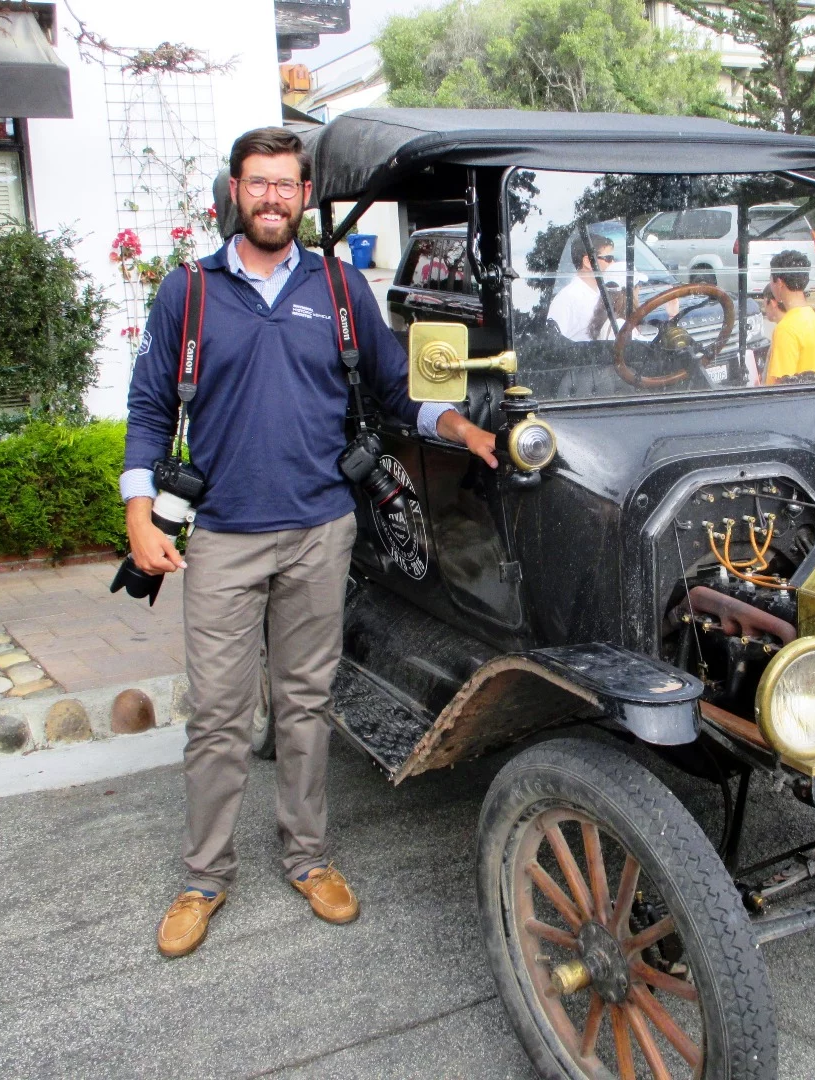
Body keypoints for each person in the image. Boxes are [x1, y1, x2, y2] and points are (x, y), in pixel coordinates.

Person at [121, 127, 498, 959]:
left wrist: (459, 424)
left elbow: (396, 391)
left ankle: (308, 857)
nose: (271, 199)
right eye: (257, 184)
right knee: (219, 718)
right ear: (233, 191)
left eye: (286, 186)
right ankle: (203, 878)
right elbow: (151, 408)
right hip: (220, 537)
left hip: (320, 533)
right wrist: (139, 511)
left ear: (301, 194)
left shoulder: (337, 286)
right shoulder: (186, 292)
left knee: (305, 705)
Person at [764, 249, 815, 384]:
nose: (771, 286)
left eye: (771, 280)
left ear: (779, 283)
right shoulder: (812, 318)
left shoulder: (786, 328)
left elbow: (780, 384)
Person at [548, 232, 615, 340]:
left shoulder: (604, 292)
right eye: (608, 258)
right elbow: (553, 343)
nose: (613, 263)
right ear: (588, 261)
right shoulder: (566, 299)